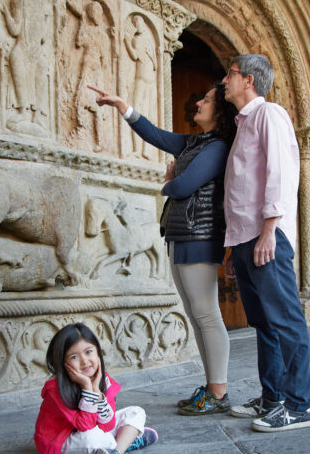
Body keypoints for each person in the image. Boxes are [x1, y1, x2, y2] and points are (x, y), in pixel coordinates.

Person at [89, 82, 238, 416]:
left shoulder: (215, 146)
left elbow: (184, 185)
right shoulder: (193, 143)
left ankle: (219, 391)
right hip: (182, 234)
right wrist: (122, 106)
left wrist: (168, 181)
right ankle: (212, 387)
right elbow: (155, 135)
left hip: (200, 236)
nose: (199, 101)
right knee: (197, 315)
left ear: (220, 113)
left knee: (207, 314)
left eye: (207, 99)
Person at [220, 53, 310, 432]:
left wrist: (269, 229)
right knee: (263, 323)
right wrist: (234, 245)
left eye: (230, 73)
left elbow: (281, 172)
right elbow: (243, 188)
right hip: (246, 239)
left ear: (250, 80)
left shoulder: (269, 114)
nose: (224, 79)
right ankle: (273, 397)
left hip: (266, 237)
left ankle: (300, 405)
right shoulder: (243, 124)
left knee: (286, 320)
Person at [33, 323, 158, 454]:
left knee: (136, 412)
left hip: (94, 429)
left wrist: (98, 393)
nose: (85, 361)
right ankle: (124, 443)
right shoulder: (55, 389)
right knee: (96, 437)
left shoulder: (103, 380)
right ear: (63, 362)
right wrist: (87, 387)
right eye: (74, 356)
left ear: (98, 352)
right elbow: (84, 426)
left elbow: (108, 425)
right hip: (63, 441)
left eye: (88, 351)